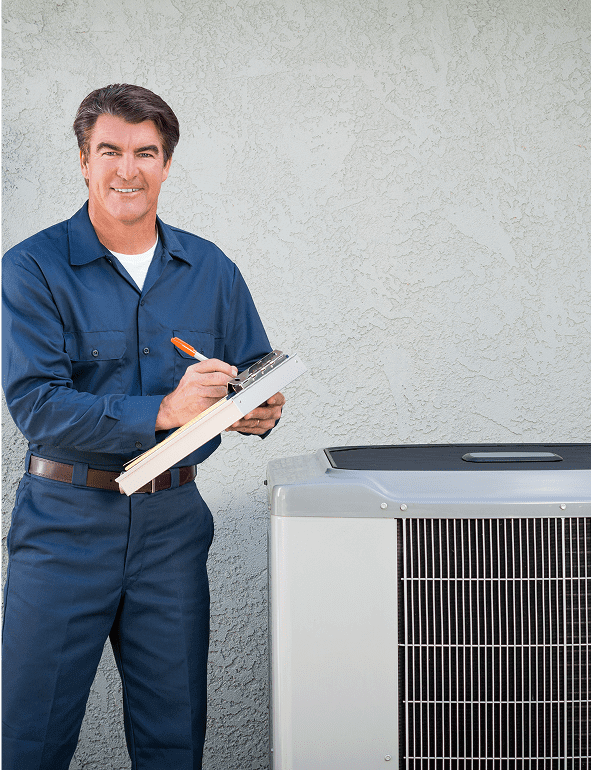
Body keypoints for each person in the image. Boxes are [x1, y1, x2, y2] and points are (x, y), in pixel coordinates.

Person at [1, 83, 285, 770]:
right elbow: (36, 405)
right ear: (82, 160)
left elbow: (251, 370)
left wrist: (259, 411)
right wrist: (162, 410)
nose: (127, 169)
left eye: (145, 153)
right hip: (65, 523)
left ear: (165, 164)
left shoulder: (209, 268)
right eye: (110, 151)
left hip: (172, 528)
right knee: (28, 740)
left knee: (173, 738)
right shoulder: (31, 269)